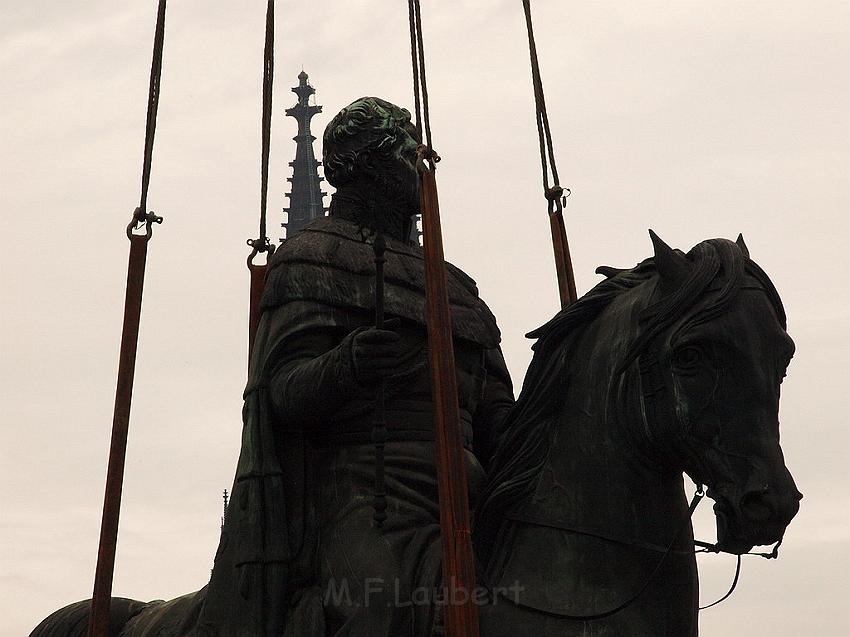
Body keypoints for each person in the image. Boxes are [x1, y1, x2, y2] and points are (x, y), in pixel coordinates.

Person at [198, 97, 514, 637]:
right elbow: (281, 395)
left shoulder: (456, 289)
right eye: (405, 148)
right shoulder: (311, 257)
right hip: (365, 496)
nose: (423, 158)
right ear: (364, 165)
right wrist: (347, 365)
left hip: (470, 497)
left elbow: (498, 417)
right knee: (379, 605)